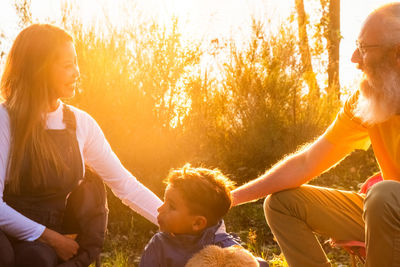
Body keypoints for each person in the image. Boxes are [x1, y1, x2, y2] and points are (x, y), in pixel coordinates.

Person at [231, 3, 400, 267]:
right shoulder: (369, 100)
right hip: (391, 212)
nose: (354, 57)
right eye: (357, 45)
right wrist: (229, 199)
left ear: (398, 54)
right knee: (282, 203)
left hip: (390, 206)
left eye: (365, 48)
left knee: (384, 195)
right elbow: (307, 162)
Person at [0, 24, 163, 267]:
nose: (77, 72)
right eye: (67, 66)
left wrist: (181, 222)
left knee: (36, 258)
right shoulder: (5, 118)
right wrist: (52, 238)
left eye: (76, 63)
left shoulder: (81, 123)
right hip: (8, 232)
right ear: (38, 70)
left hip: (43, 245)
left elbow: (126, 186)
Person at [139, 164, 267, 267]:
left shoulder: (225, 249)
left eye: (171, 206)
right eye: (164, 200)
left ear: (197, 223)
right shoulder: (159, 245)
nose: (160, 208)